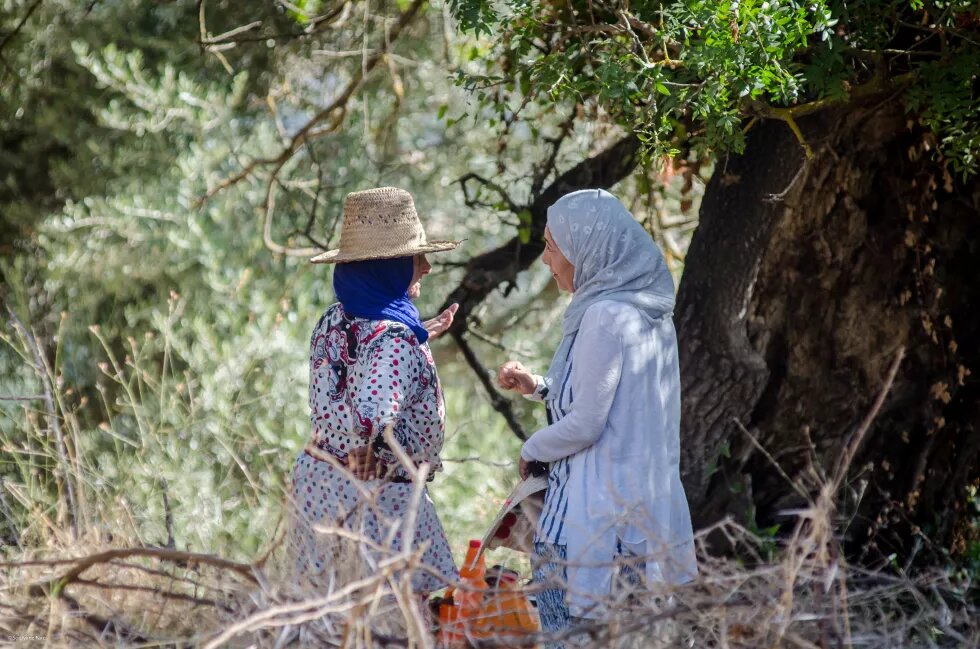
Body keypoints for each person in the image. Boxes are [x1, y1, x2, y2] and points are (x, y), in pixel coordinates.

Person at [497, 189, 698, 638]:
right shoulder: (649, 315)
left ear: (587, 248)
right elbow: (622, 408)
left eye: (553, 247)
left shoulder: (604, 315)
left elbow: (587, 424)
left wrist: (532, 449)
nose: (547, 260)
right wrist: (539, 389)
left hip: (590, 526)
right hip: (644, 522)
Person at [290, 186, 461, 596]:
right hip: (374, 498)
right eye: (417, 257)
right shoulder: (396, 340)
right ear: (391, 266)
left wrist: (415, 343)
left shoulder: (335, 318)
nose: (426, 268)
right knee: (397, 622)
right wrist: (365, 445)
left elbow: (358, 370)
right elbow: (372, 411)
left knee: (325, 616)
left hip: (318, 485)